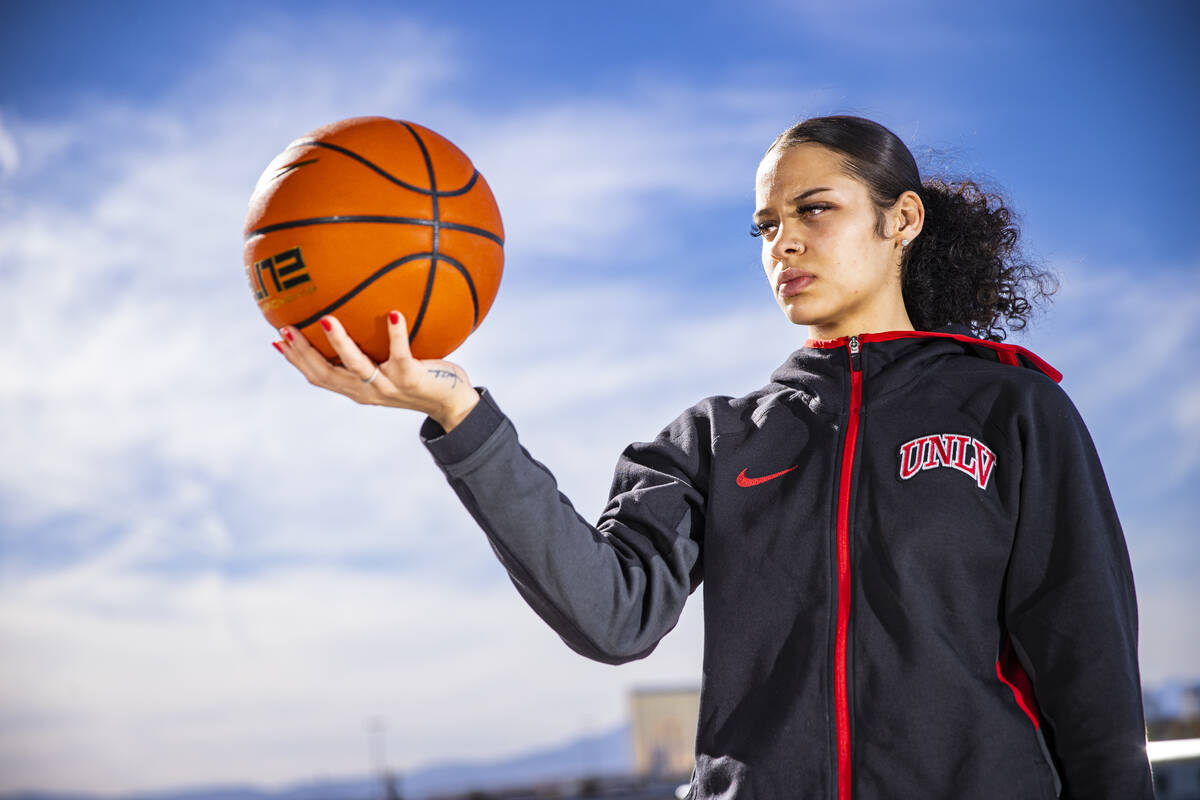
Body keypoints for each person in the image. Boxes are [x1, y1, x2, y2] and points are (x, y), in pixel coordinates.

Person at [272, 116, 1155, 799]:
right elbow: (613, 617)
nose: (786, 243)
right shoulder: (717, 438)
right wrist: (459, 415)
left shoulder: (1012, 409)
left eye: (816, 210)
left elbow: (1090, 674)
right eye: (765, 225)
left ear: (903, 220)